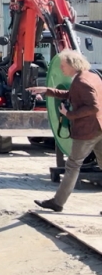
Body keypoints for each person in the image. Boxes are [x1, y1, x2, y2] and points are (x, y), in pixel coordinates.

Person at [27, 49, 102, 213]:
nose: (61, 69)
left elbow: (93, 106)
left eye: (63, 65)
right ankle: (57, 202)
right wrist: (46, 90)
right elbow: (72, 95)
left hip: (88, 130)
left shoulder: (82, 81)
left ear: (72, 65)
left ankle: (57, 202)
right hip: (99, 128)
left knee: (73, 165)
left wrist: (70, 114)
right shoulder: (90, 76)